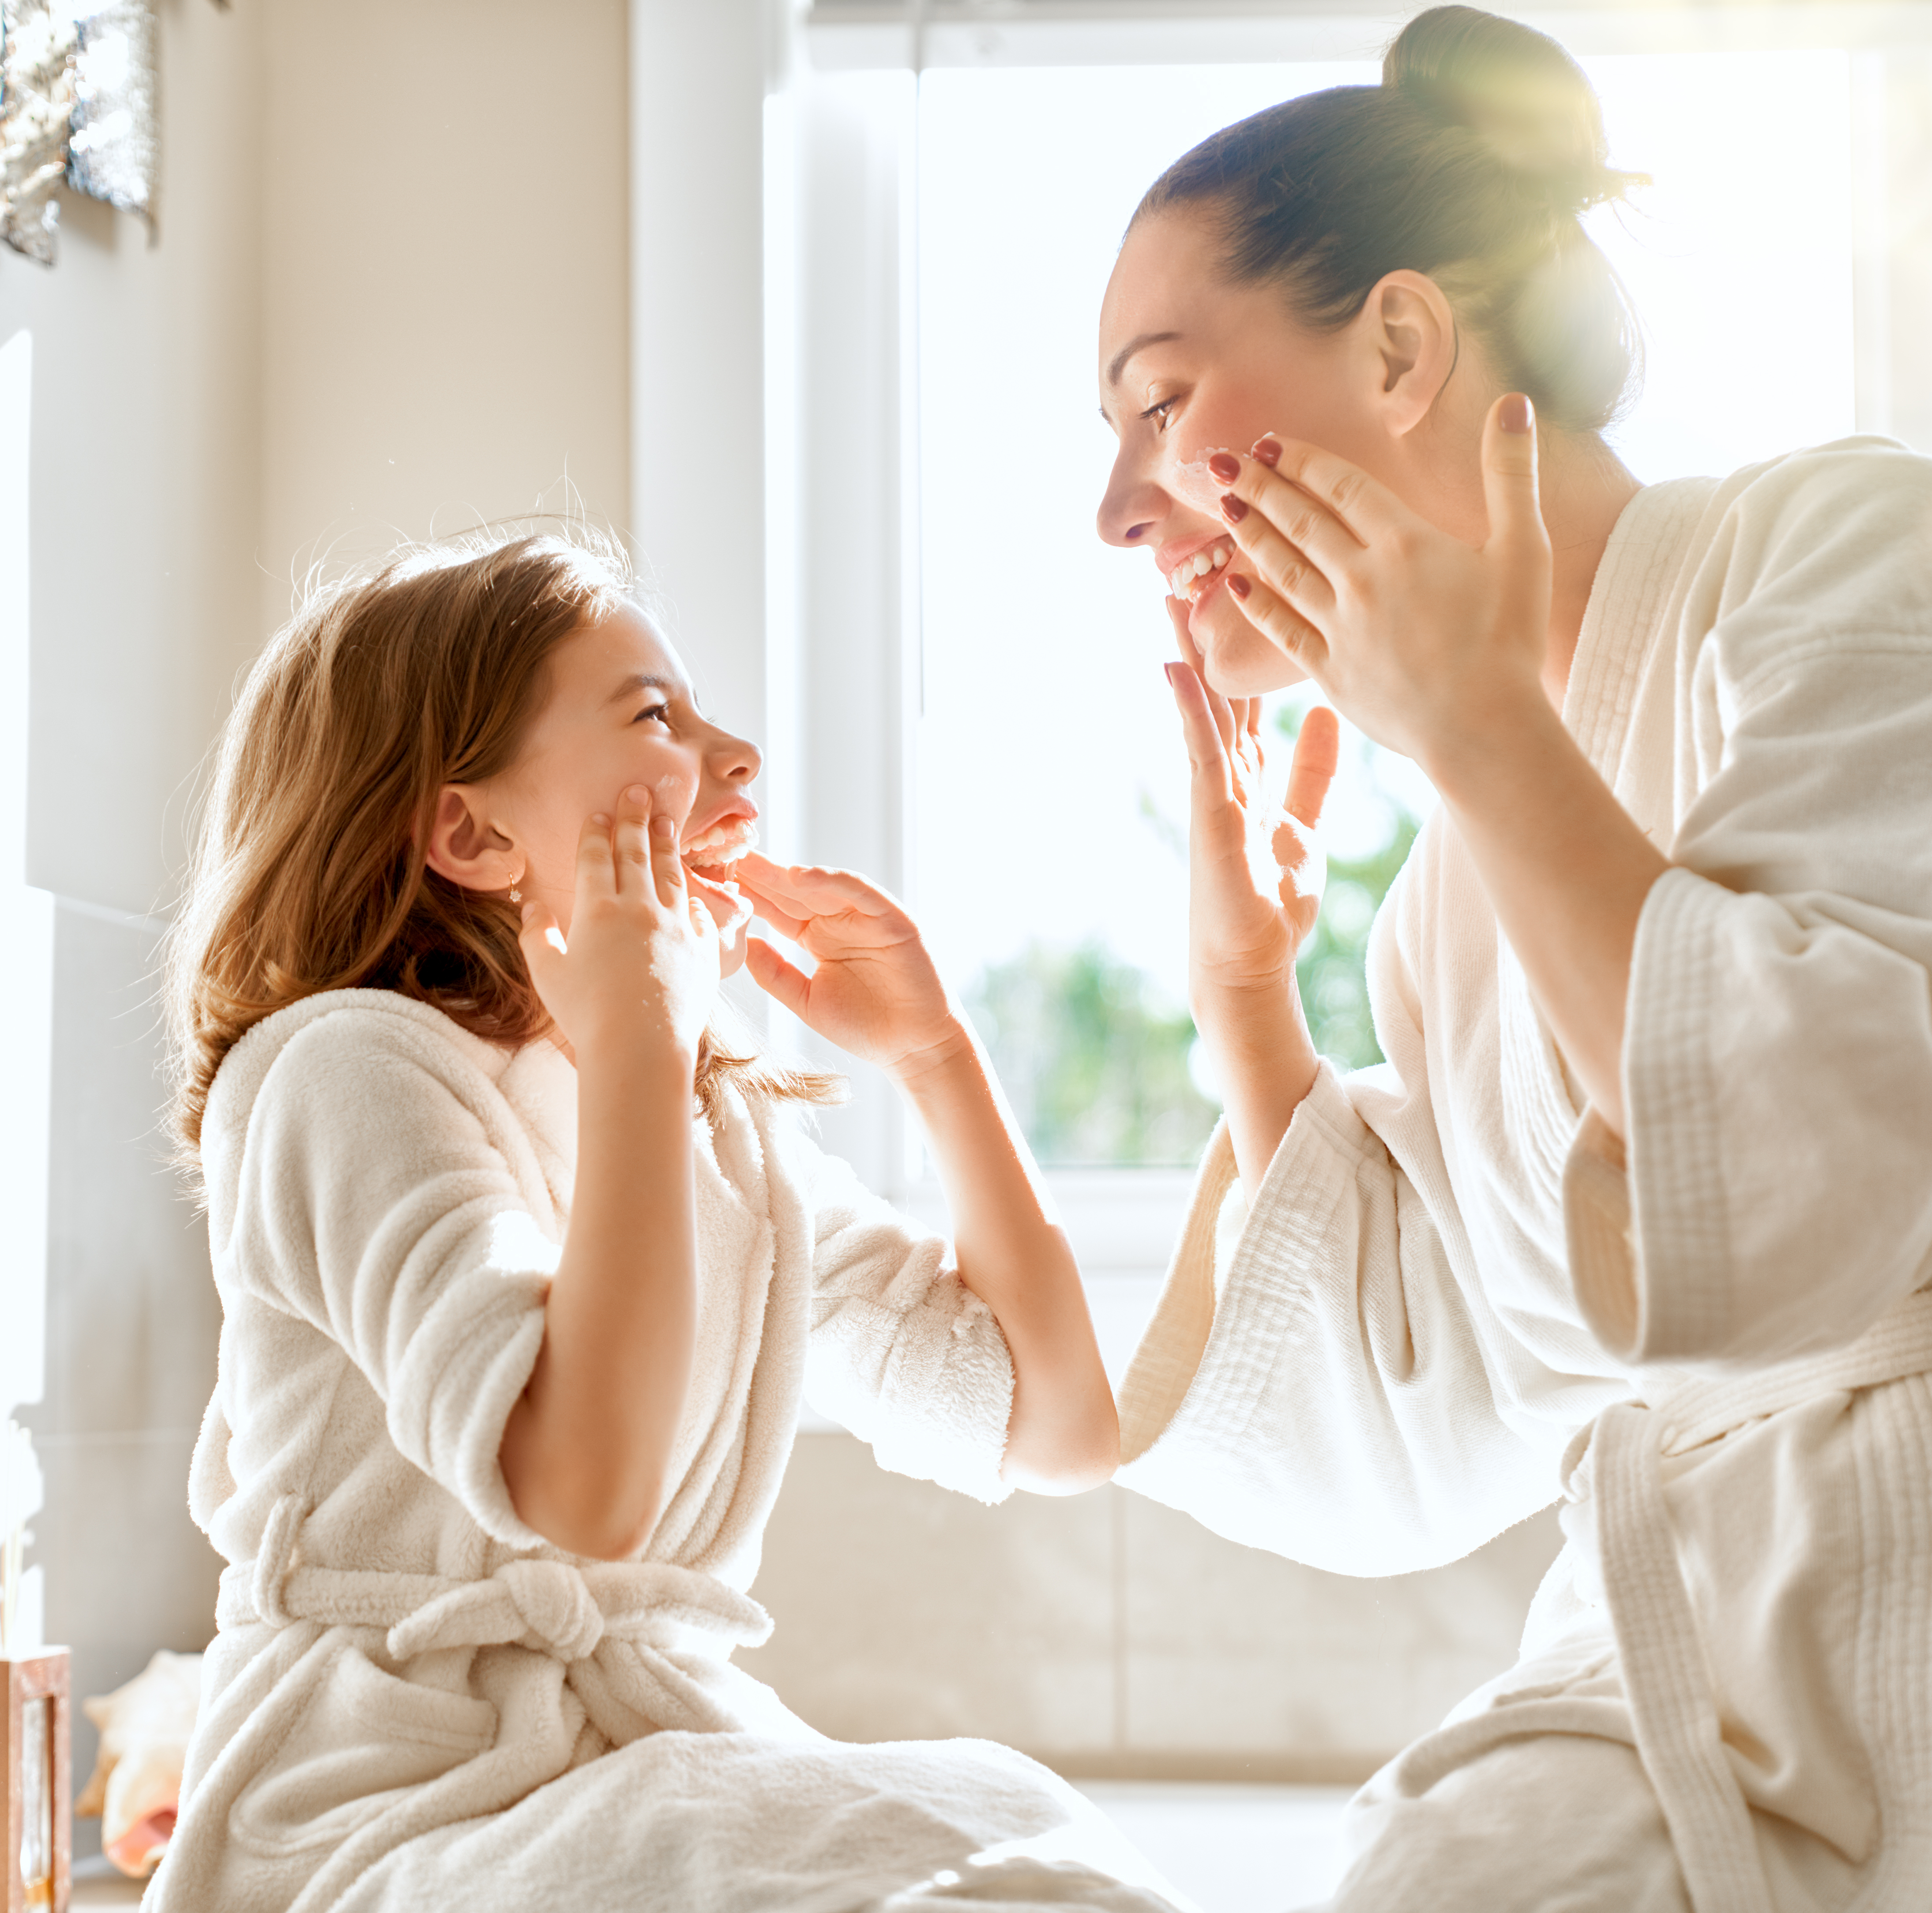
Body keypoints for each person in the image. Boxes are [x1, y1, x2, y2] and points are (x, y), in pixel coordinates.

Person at [1095, 7, 1932, 1907]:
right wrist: (1239, 999)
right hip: (1725, 1630)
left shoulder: (1872, 555)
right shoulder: (1455, 891)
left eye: (1154, 401)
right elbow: (1428, 1415)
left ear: (1392, 345)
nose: (1118, 508)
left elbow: (1785, 1173)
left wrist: (1482, 741)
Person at [152, 529, 1175, 1911]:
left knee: (1008, 1822)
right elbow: (584, 1494)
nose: (737, 756)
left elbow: (1055, 1428)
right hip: (374, 1820)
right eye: (656, 717)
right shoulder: (343, 1073)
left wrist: (937, 1055)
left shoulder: (713, 1135)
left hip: (640, 1765)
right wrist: (639, 1045)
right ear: (472, 832)